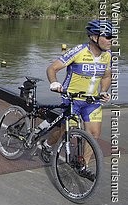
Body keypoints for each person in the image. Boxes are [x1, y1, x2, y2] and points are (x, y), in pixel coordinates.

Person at [42, 19, 112, 179]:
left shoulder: (107, 56)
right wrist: (54, 82)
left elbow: (107, 76)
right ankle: (47, 145)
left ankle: (83, 165)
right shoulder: (78, 51)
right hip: (72, 99)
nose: (111, 40)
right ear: (94, 37)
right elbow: (52, 68)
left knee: (93, 135)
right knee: (66, 132)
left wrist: (103, 91)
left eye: (112, 36)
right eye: (108, 36)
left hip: (92, 101)